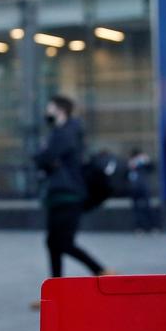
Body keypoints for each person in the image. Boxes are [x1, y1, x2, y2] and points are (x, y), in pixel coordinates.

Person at [32, 96, 109, 301]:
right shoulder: (60, 133)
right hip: (58, 194)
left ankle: (102, 272)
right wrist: (46, 158)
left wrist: (46, 157)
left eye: (49, 108)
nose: (46, 112)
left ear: (59, 110)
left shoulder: (67, 132)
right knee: (52, 242)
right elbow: (43, 159)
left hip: (69, 194)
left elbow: (44, 158)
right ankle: (55, 292)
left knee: (63, 242)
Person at [127, 149, 157, 233]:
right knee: (136, 209)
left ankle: (152, 227)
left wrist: (147, 161)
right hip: (134, 189)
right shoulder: (130, 164)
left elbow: (152, 168)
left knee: (148, 208)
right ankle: (138, 228)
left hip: (144, 188)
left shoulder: (143, 164)